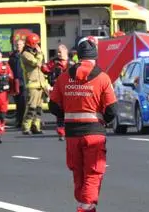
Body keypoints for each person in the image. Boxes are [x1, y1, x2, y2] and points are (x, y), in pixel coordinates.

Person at [49, 36, 118, 212]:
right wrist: (104, 121)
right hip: (94, 132)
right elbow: (112, 109)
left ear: (78, 56)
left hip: (72, 134)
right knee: (93, 174)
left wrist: (68, 112)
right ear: (95, 56)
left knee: (78, 173)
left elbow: (53, 106)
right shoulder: (102, 78)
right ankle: (86, 208)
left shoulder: (64, 77)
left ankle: (84, 205)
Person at [20, 33, 47, 135]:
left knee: (39, 108)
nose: (37, 46)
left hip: (40, 84)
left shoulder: (35, 53)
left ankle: (36, 126)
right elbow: (37, 63)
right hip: (32, 84)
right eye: (36, 44)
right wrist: (40, 53)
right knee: (31, 107)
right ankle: (26, 127)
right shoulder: (25, 54)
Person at [42, 44, 69, 141]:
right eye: (57, 52)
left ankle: (68, 130)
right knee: (59, 110)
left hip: (69, 90)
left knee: (69, 111)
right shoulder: (54, 63)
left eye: (60, 52)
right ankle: (61, 131)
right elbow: (44, 68)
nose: (58, 54)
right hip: (57, 89)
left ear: (66, 52)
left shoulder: (72, 63)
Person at [8, 39, 26, 128]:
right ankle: (19, 121)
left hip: (25, 81)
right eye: (17, 44)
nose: (18, 46)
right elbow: (9, 69)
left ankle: (25, 121)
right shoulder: (13, 56)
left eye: (20, 44)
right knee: (18, 103)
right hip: (16, 82)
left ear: (23, 45)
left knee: (25, 102)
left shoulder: (26, 55)